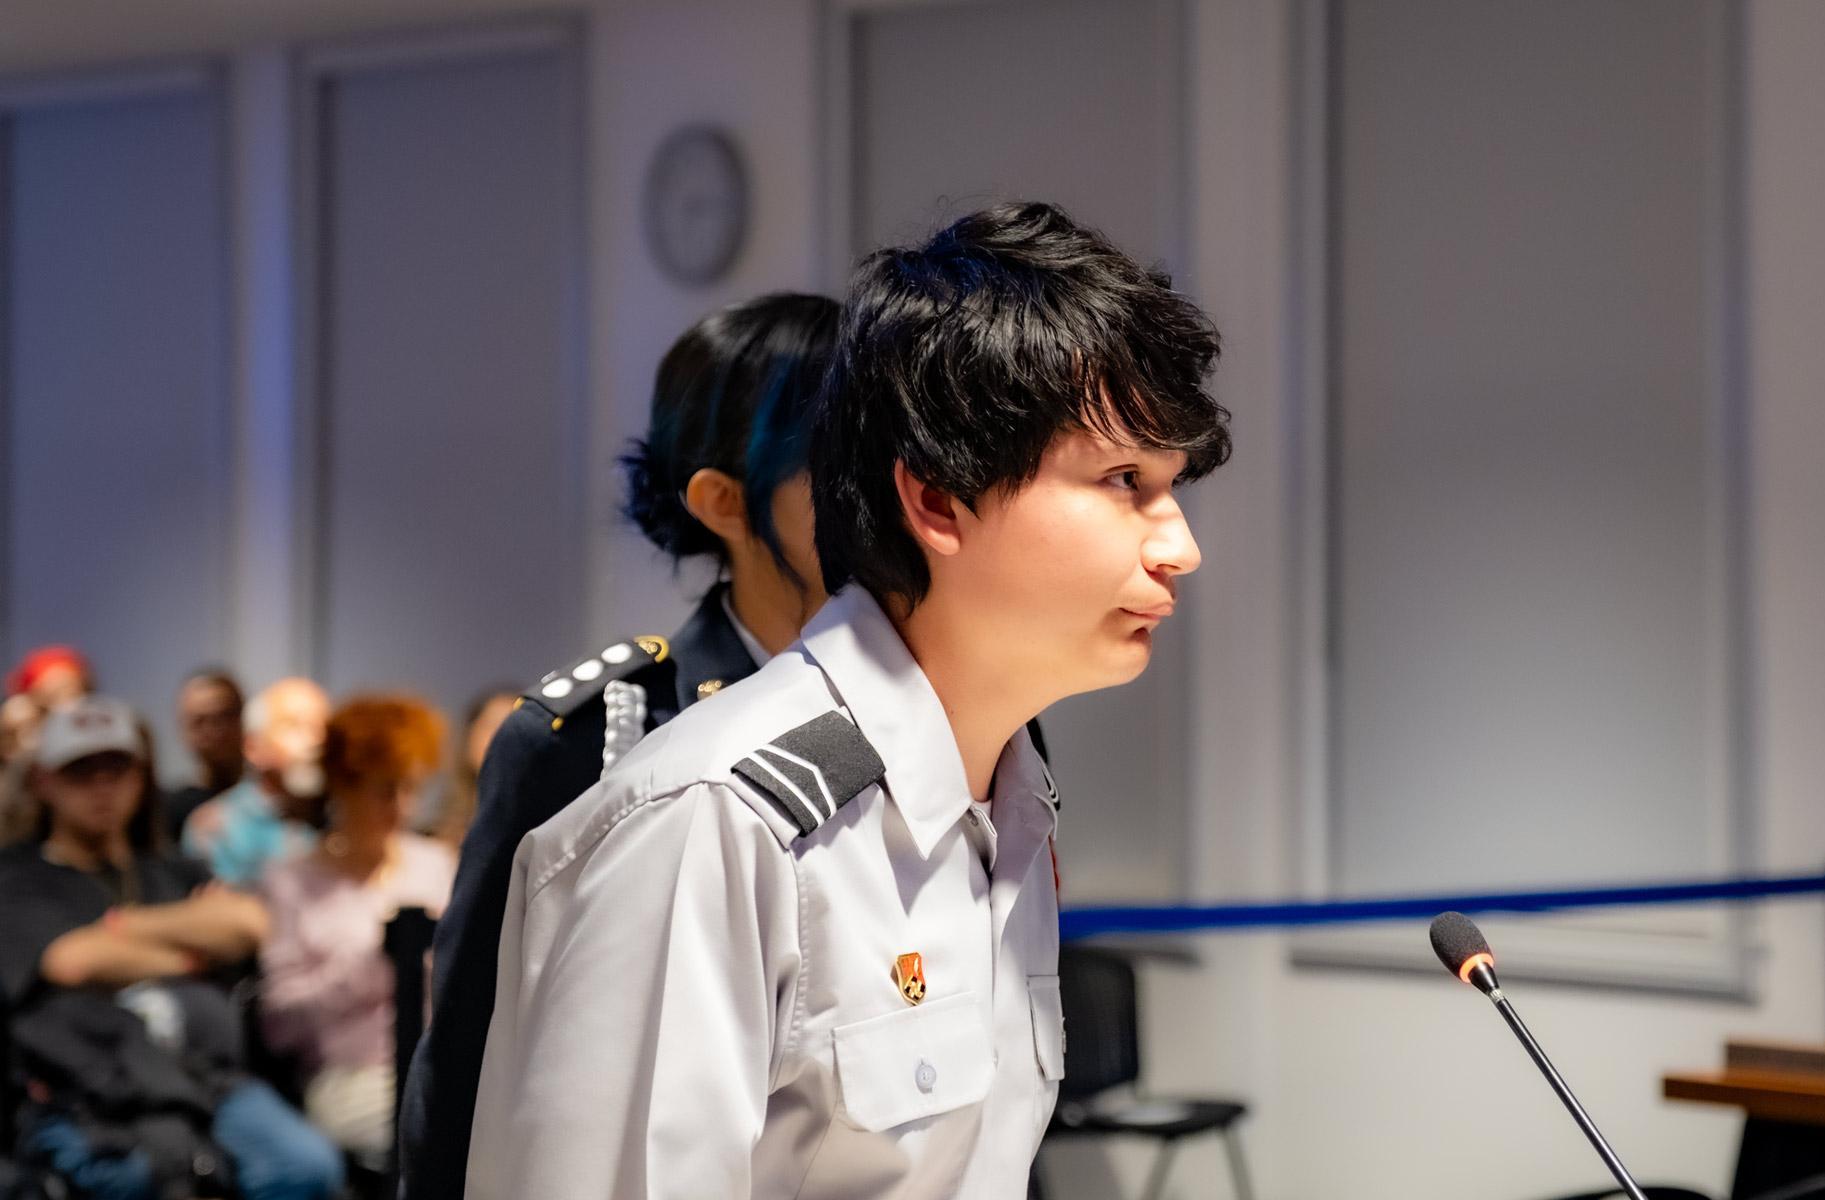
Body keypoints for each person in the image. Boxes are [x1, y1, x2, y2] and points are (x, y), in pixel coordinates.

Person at [464, 201, 1230, 1198]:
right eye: (1122, 479)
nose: (1178, 548)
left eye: (1169, 487)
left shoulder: (1008, 804)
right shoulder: (716, 821)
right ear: (936, 501)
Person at [396, 291, 843, 1200]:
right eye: (838, 463)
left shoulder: (953, 717)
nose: (888, 491)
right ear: (724, 502)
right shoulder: (598, 737)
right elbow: (469, 1056)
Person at [0, 696, 343, 1200]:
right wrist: (192, 951)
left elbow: (248, 923)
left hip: (208, 1079)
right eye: (82, 772)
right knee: (141, 1176)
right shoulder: (20, 879)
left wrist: (123, 926)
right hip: (96, 1088)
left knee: (308, 1167)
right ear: (45, 782)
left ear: (140, 778)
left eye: (117, 769)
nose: (103, 787)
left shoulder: (170, 869)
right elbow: (72, 961)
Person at [259, 694, 455, 1171]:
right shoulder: (291, 880)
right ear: (342, 787)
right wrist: (371, 965)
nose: (400, 806)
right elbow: (278, 1023)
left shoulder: (435, 864)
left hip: (441, 1064)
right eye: (383, 790)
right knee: (441, 1131)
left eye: (410, 788)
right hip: (349, 1077)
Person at [182, 678, 328, 888]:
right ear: (253, 746)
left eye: (324, 727)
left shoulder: (344, 816)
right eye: (296, 726)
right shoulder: (217, 827)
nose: (317, 740)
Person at [425, 687, 521, 850]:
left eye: (513, 728)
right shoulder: (429, 840)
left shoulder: (537, 835)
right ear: (469, 734)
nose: (500, 737)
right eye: (491, 725)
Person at [167, 669, 247, 840]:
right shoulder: (169, 811)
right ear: (183, 729)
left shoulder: (271, 800)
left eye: (224, 716)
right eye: (199, 721)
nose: (213, 730)